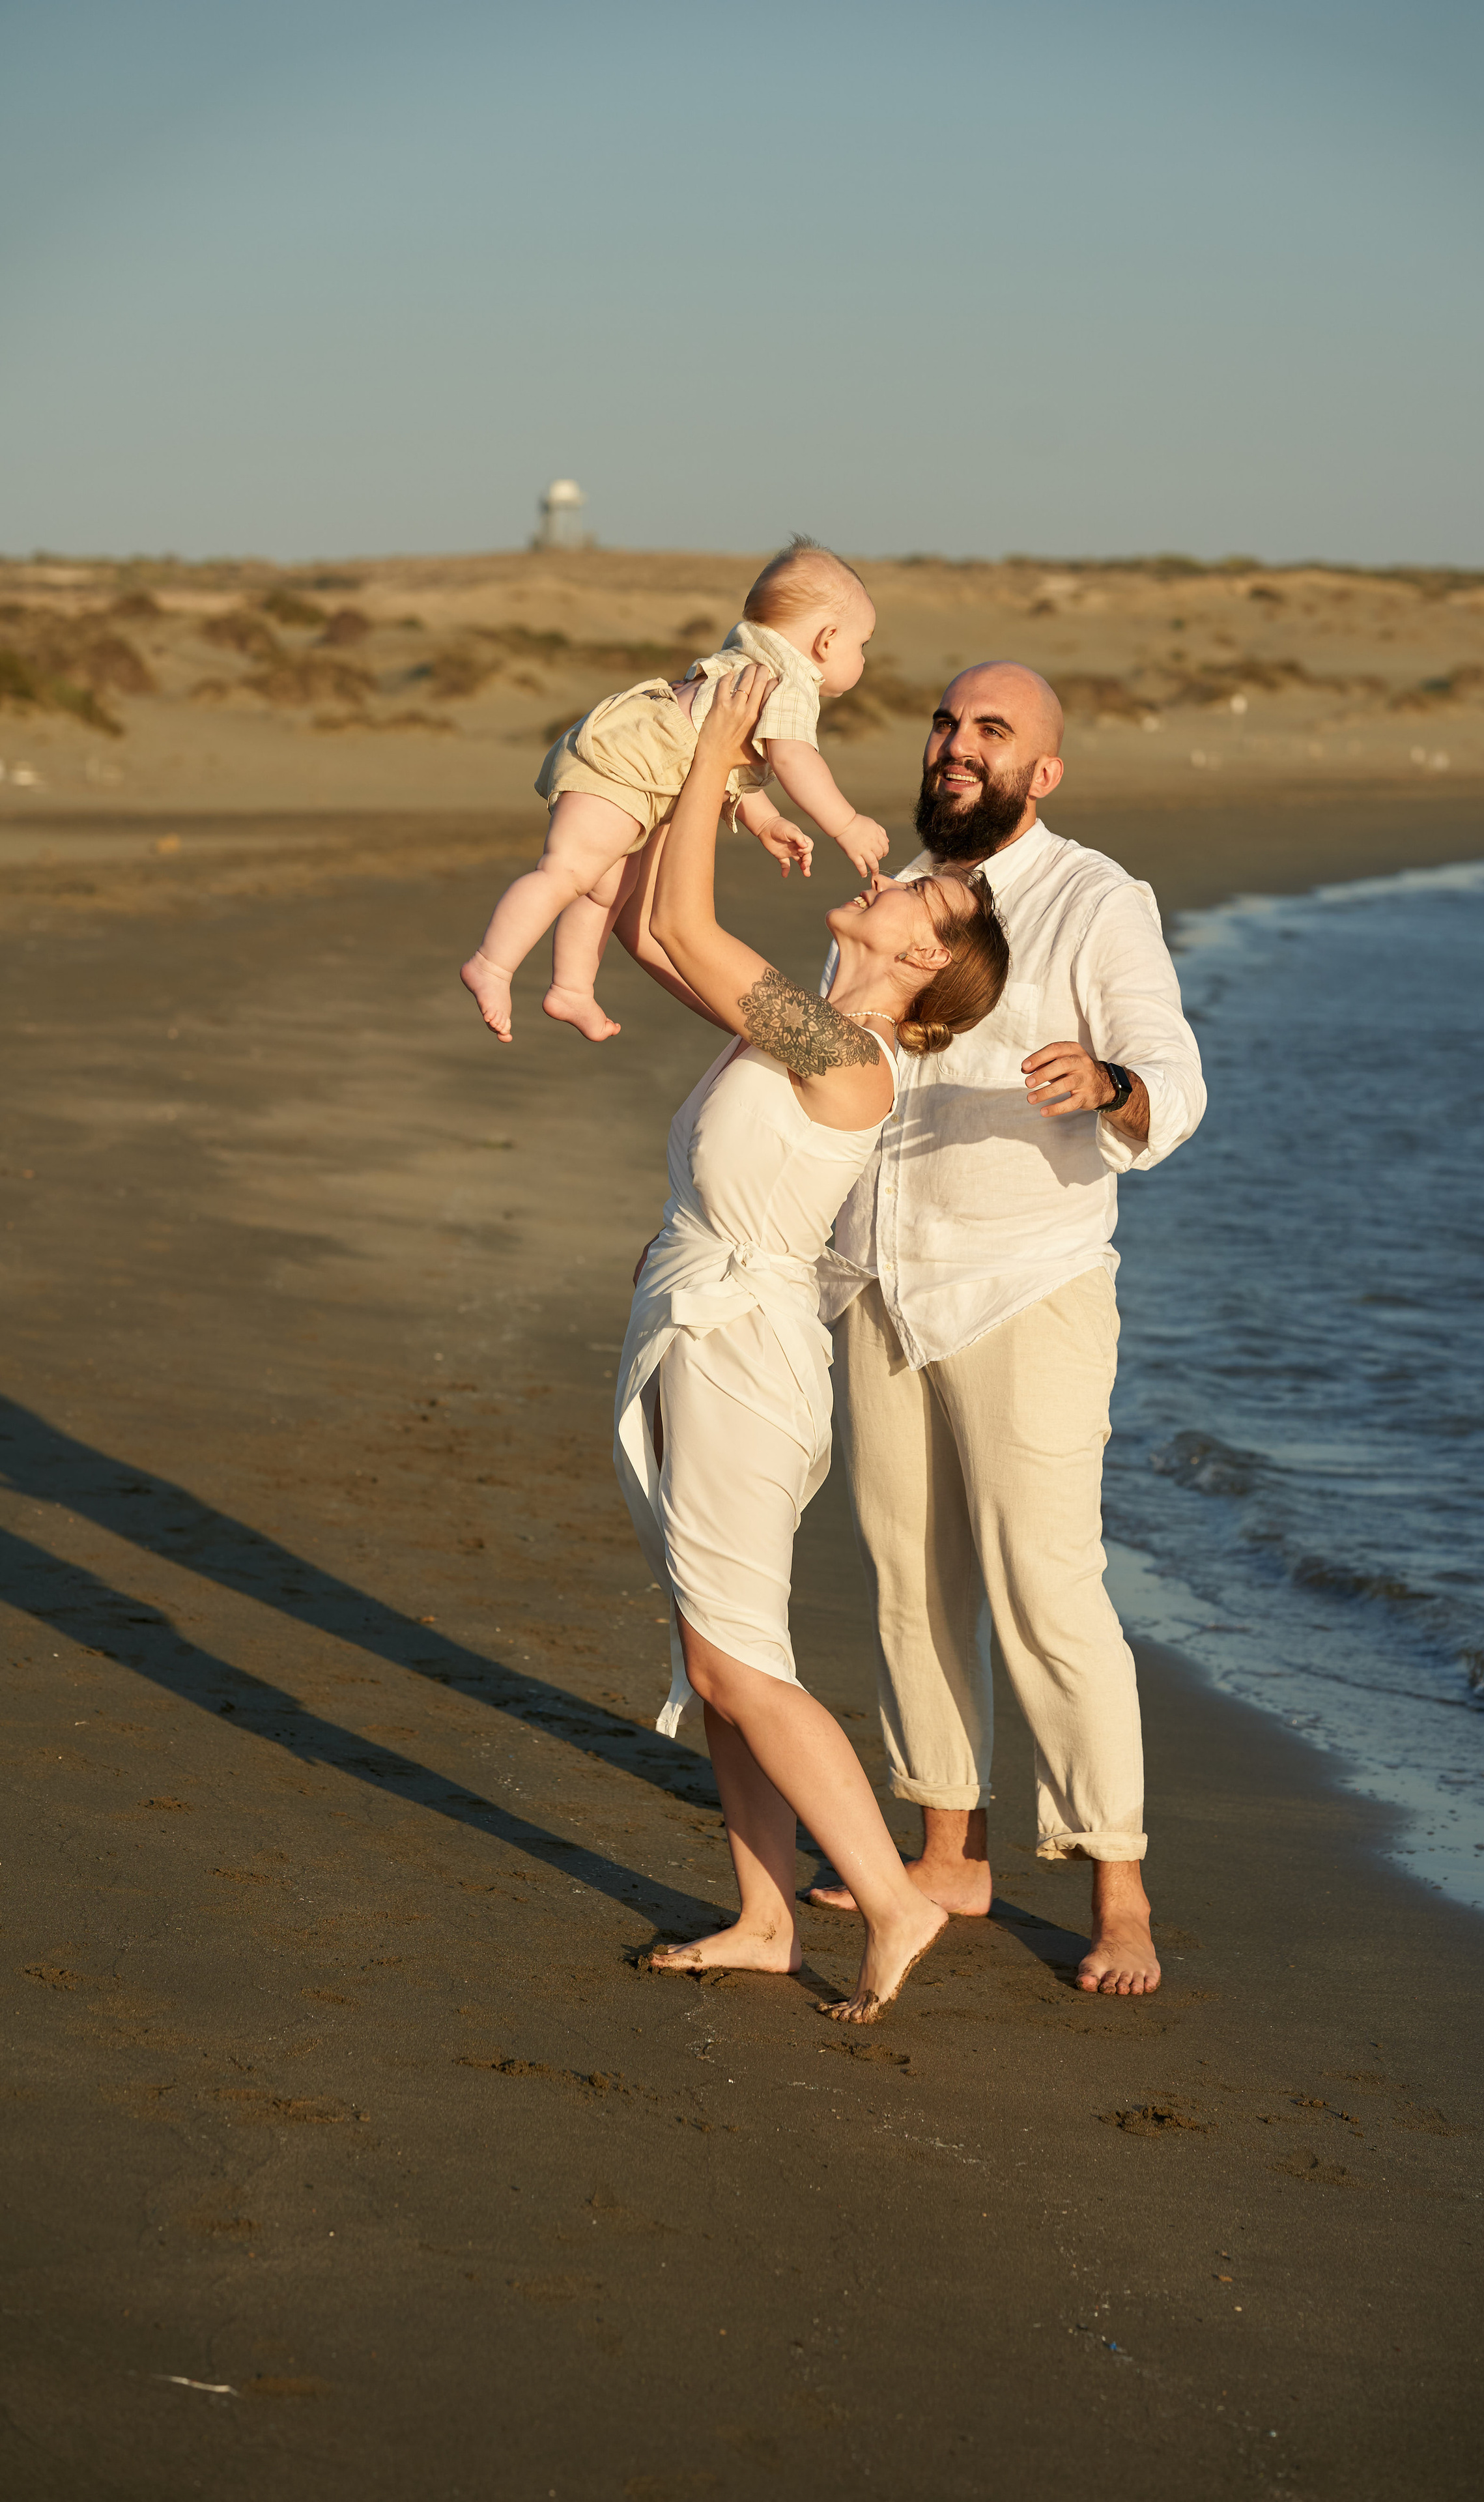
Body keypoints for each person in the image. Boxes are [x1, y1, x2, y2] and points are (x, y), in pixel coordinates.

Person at [614, 663, 1011, 2020]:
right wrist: (687, 783)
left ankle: (894, 1900)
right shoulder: (800, 1032)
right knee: (715, 1658)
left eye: (922, 896)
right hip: (705, 1334)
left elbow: (685, 920)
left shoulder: (842, 1056)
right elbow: (653, 935)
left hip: (740, 1357)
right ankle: (766, 1918)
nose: (894, 879)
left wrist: (719, 752)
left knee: (738, 1663)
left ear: (925, 960)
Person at [810, 662, 1206, 1996]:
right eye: (946, 723)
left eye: (992, 730)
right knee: (906, 1575)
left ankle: (1118, 1887)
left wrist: (1108, 1081)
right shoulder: (889, 900)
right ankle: (948, 1853)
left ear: (1043, 771)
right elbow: (834, 1069)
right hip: (878, 1279)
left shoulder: (1096, 898)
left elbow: (1176, 1077)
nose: (957, 745)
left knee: (1045, 1585)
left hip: (1025, 1283)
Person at [460, 537, 890, 1044]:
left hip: (642, 767)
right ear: (827, 640)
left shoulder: (749, 652)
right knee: (567, 872)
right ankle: (491, 964)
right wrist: (846, 824)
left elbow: (722, 755)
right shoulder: (792, 682)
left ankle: (572, 988)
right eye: (863, 645)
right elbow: (793, 758)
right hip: (629, 764)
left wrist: (766, 822)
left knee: (606, 889)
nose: (864, 658)